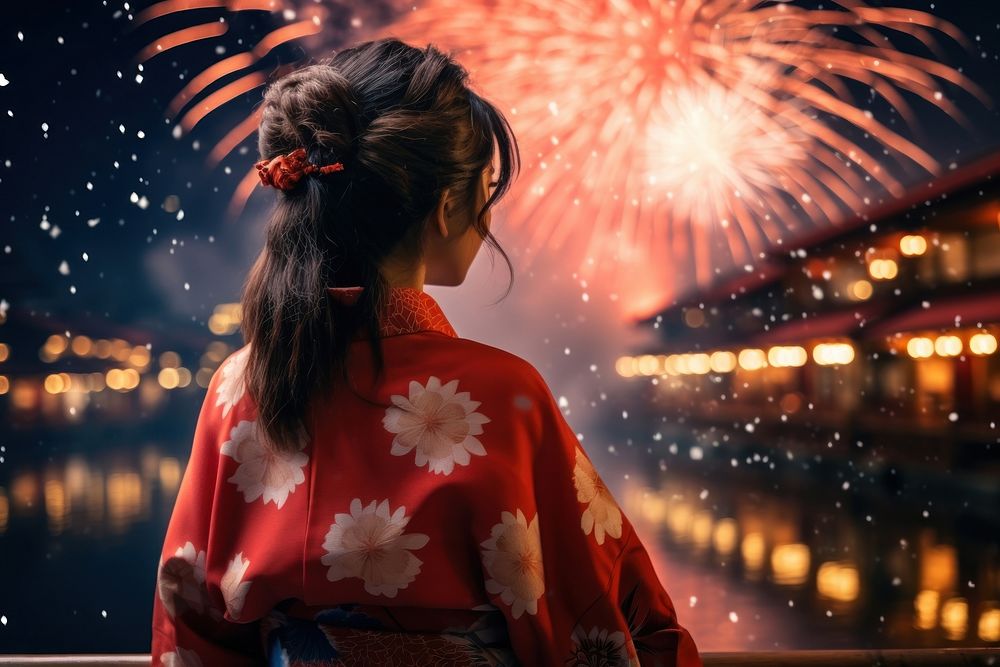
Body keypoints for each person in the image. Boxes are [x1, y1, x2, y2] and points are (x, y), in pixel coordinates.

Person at [150, 37, 702, 667]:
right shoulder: (502, 394)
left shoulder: (237, 386)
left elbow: (188, 608)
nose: (488, 221)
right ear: (445, 208)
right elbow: (603, 613)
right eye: (485, 191)